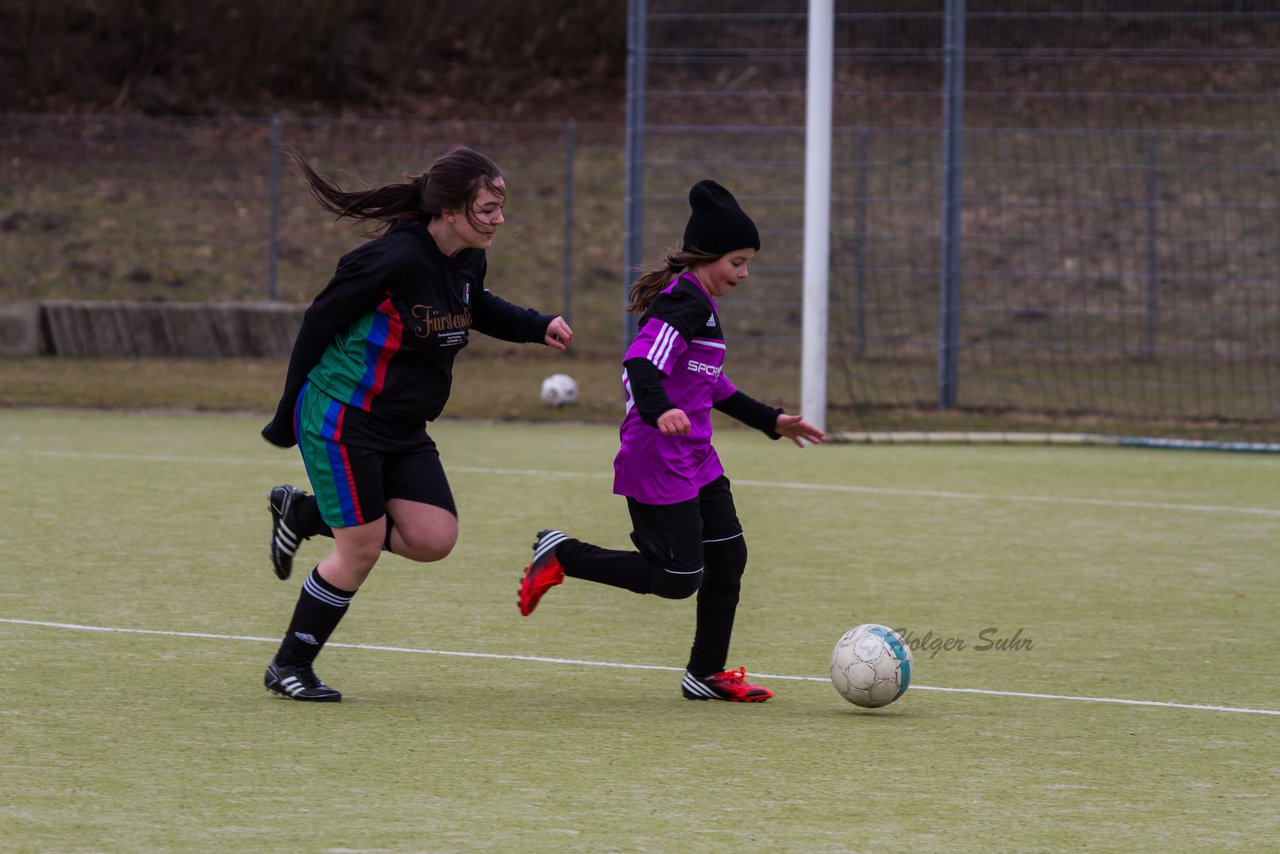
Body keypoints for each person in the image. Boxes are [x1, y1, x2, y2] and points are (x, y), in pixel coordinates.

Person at [261, 144, 573, 702]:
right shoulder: (391, 260)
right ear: (449, 210)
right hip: (343, 414)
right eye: (487, 208)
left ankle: (302, 511)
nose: (499, 218)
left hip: (403, 425)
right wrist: (287, 414)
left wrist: (536, 324)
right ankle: (290, 665)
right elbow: (316, 324)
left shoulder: (467, 257)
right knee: (360, 547)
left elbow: (475, 306)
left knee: (433, 539)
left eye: (501, 206)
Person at [517, 179, 825, 702]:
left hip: (696, 458)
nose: (744, 273)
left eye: (748, 262)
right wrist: (661, 411)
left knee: (728, 559)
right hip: (656, 457)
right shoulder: (681, 304)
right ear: (707, 257)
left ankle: (705, 674)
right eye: (737, 261)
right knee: (681, 576)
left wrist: (771, 420)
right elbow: (640, 362)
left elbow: (712, 386)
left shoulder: (702, 305)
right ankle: (564, 553)